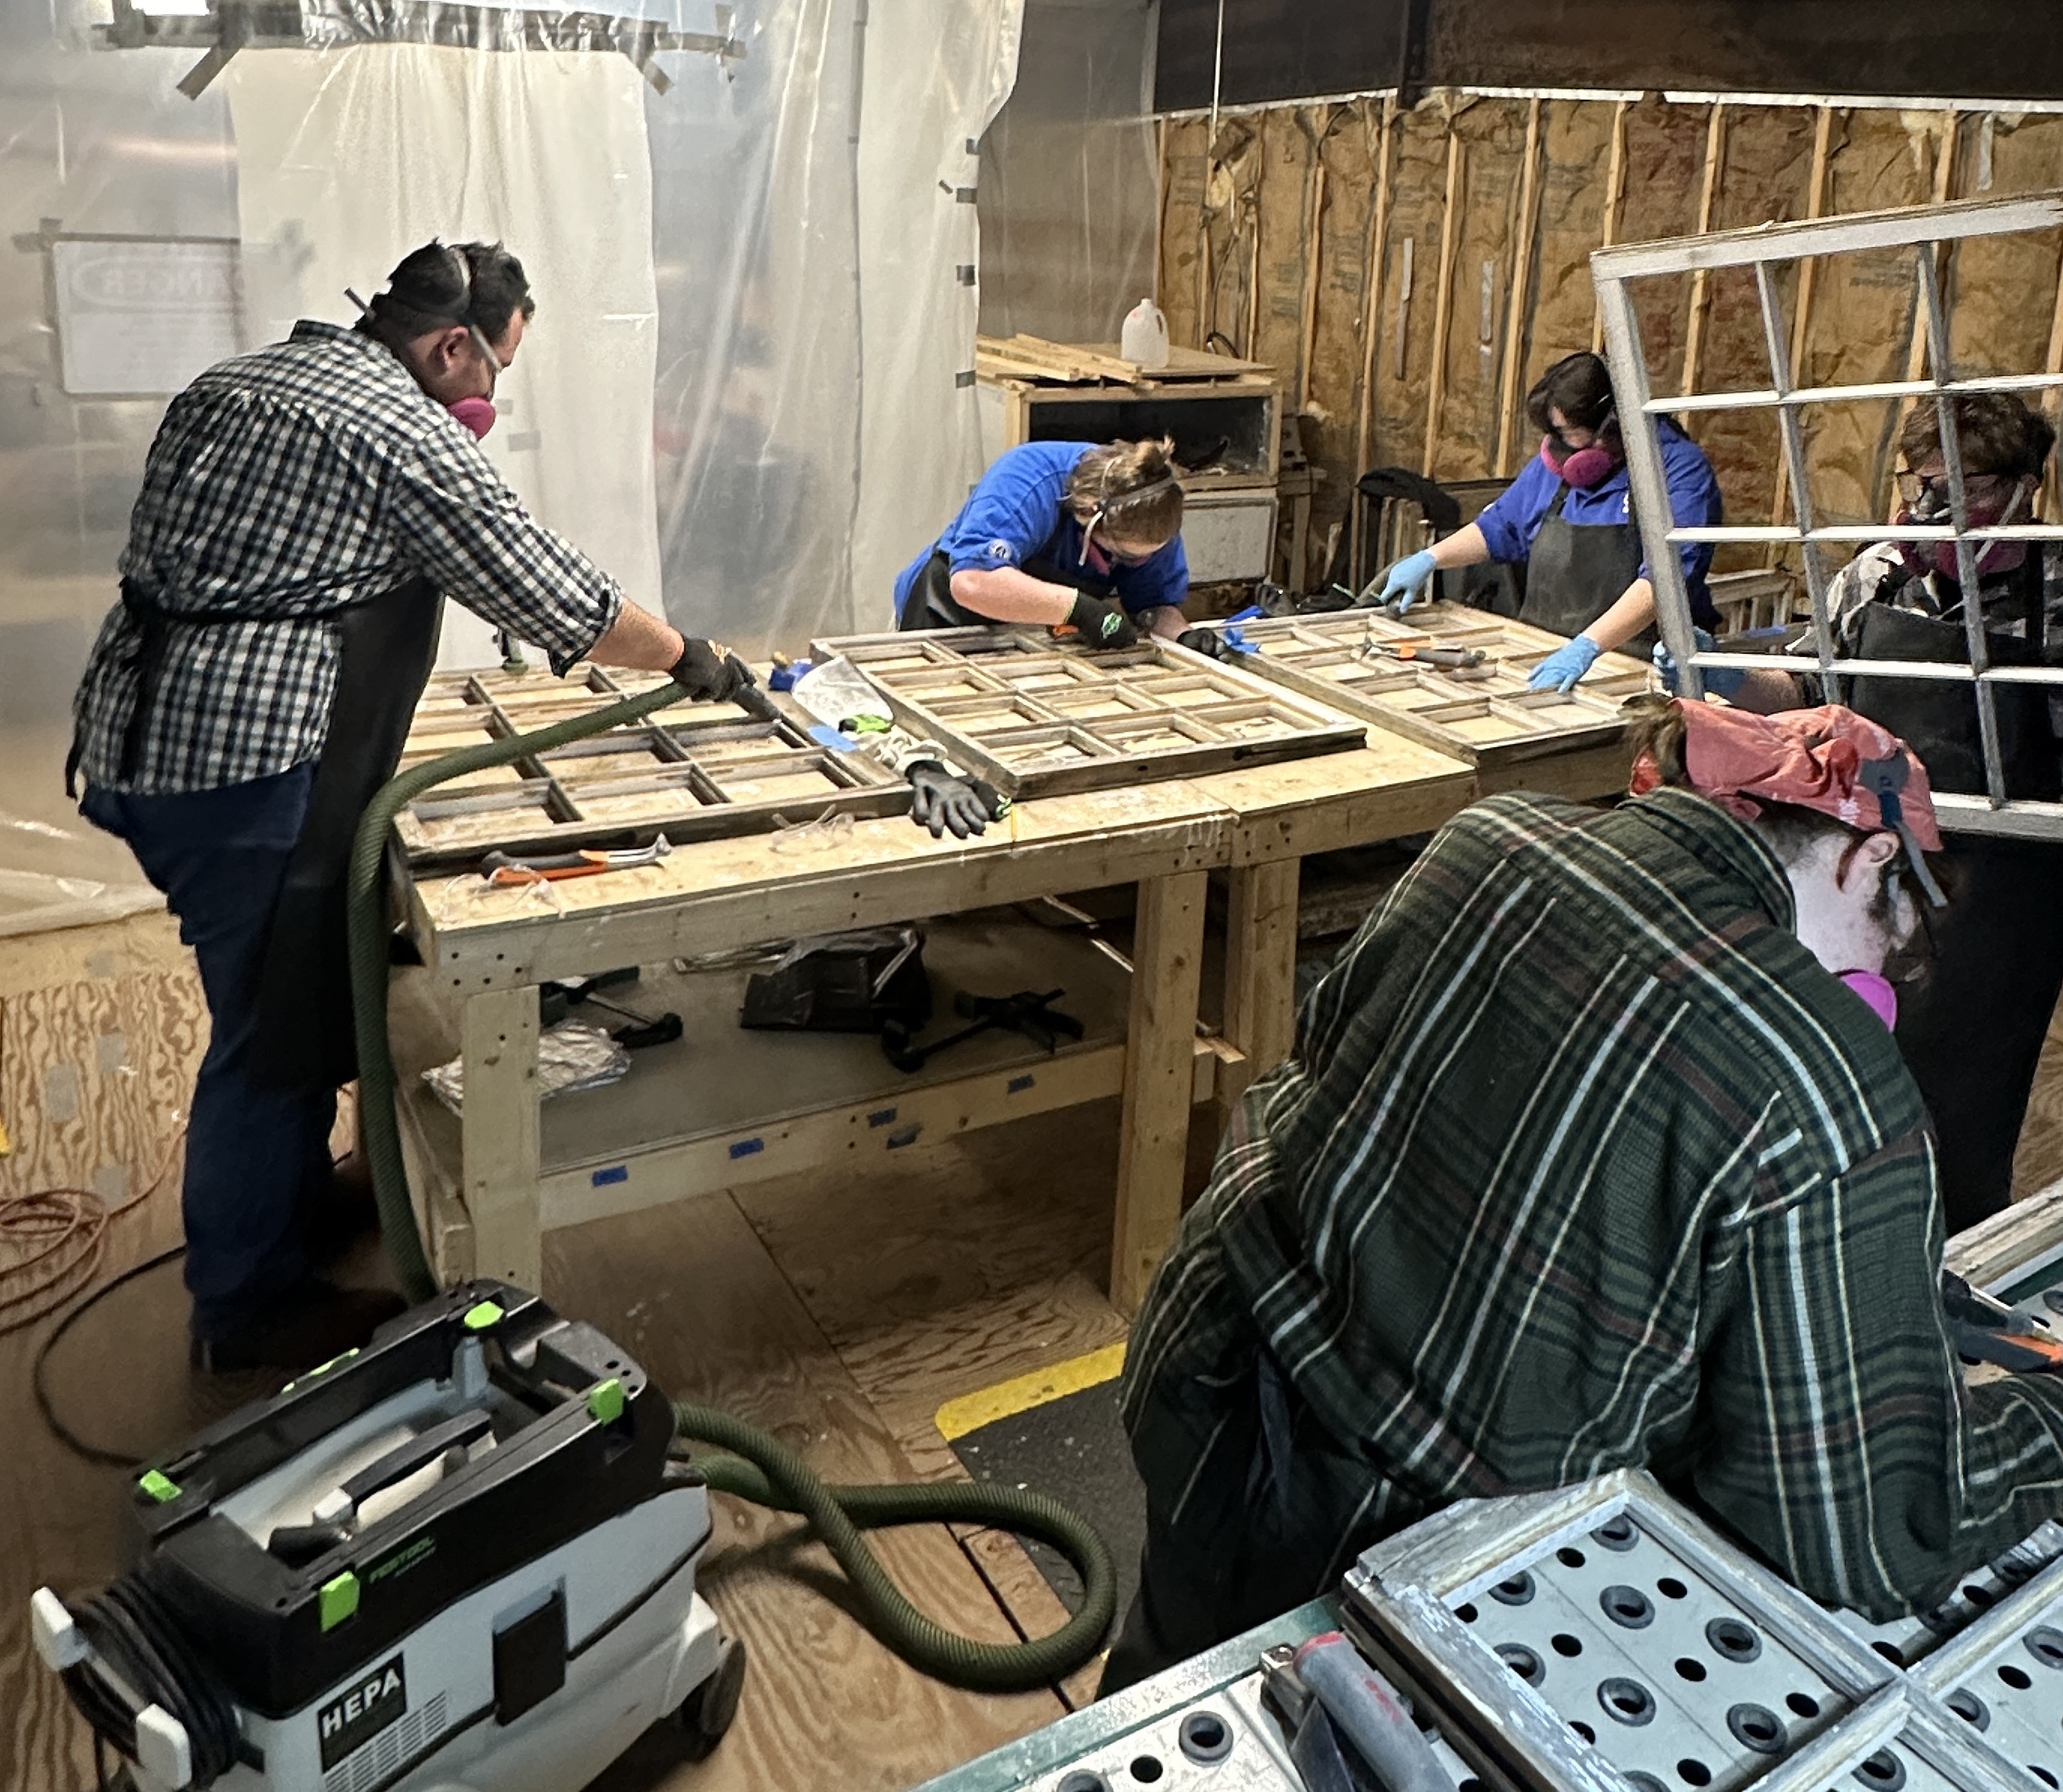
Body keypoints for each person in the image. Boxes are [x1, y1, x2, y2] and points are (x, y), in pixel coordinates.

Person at [1101, 695, 2063, 1694]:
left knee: (1162, 1693)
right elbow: (1866, 1534)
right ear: (1868, 864)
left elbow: (1369, 1089)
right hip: (1381, 1540)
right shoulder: (1820, 1076)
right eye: (1890, 947)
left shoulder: (1488, 840)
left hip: (1205, 1369)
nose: (1875, 987)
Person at [70, 239, 758, 1376]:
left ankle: (290, 1209)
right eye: (494, 369)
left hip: (144, 738)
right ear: (450, 345)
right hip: (244, 767)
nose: (491, 397)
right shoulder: (403, 430)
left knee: (278, 994)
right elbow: (559, 596)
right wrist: (694, 661)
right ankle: (244, 1305)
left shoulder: (249, 378)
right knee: (263, 1037)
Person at [1732, 393, 2063, 1231]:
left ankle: (1940, 1277)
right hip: (1866, 871)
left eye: (1968, 493)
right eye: (1925, 484)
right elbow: (1807, 685)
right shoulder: (1878, 574)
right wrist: (1728, 680)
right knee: (1826, 1086)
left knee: (1956, 1121)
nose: (1934, 510)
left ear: (2027, 490)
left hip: (2001, 889)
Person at [1373, 349, 1724, 691]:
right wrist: (1431, 558)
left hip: (1638, 670)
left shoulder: (1678, 471)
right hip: (1543, 654)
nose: (1559, 446)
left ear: (1612, 424)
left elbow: (1664, 582)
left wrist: (1588, 646)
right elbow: (1502, 527)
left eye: (1568, 432)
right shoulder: (1559, 464)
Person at [894, 438, 1209, 655]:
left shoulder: (1154, 509)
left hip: (1037, 637)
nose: (1146, 561)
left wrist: (1184, 635)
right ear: (1088, 515)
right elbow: (973, 582)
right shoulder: (1026, 478)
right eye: (1125, 555)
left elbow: (1151, 606)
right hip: (949, 614)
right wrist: (1080, 609)